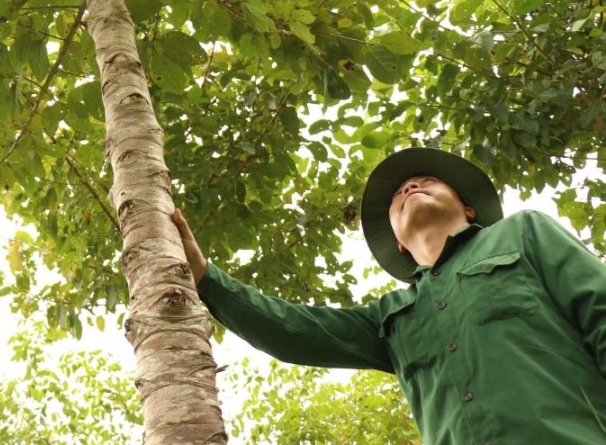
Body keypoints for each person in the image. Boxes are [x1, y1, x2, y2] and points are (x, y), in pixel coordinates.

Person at [174, 147, 606, 444]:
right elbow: (294, 330)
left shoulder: (523, 233)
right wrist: (206, 278)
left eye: (426, 180)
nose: (410, 188)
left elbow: (600, 310)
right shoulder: (391, 316)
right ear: (399, 241)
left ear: (467, 207)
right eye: (400, 193)